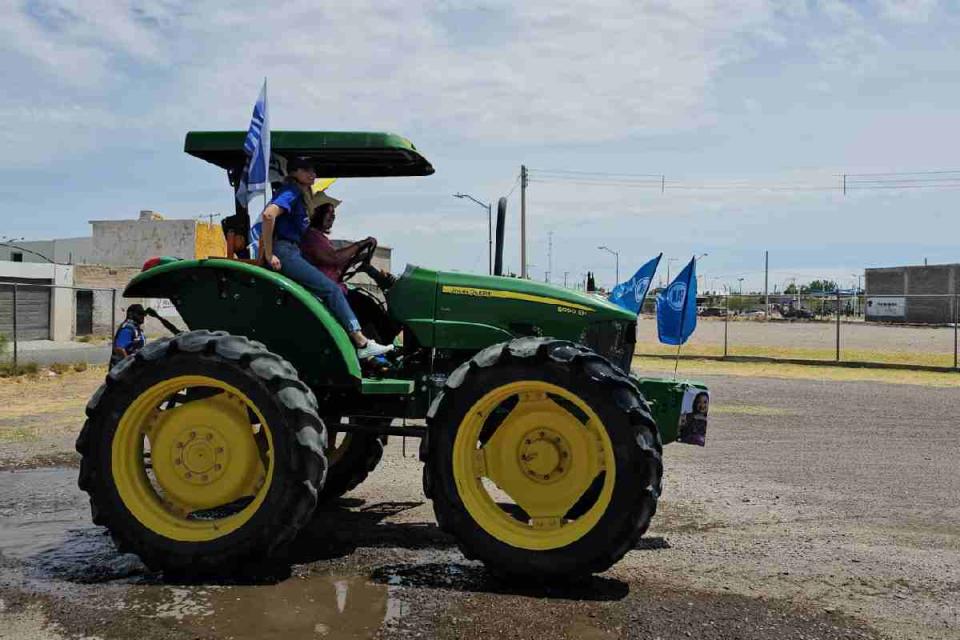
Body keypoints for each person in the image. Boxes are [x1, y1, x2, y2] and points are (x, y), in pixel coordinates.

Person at [258, 157, 392, 360]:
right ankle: (361, 342)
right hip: (285, 251)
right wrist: (269, 254)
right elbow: (268, 215)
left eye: (314, 170)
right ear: (295, 172)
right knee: (331, 290)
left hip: (289, 250)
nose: (313, 174)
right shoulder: (291, 191)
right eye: (308, 170)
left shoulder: (298, 195)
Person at [110, 306, 180, 368]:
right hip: (122, 370)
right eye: (140, 314)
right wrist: (129, 365)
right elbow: (119, 348)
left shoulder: (135, 327)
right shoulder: (128, 328)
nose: (142, 316)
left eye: (143, 314)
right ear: (130, 314)